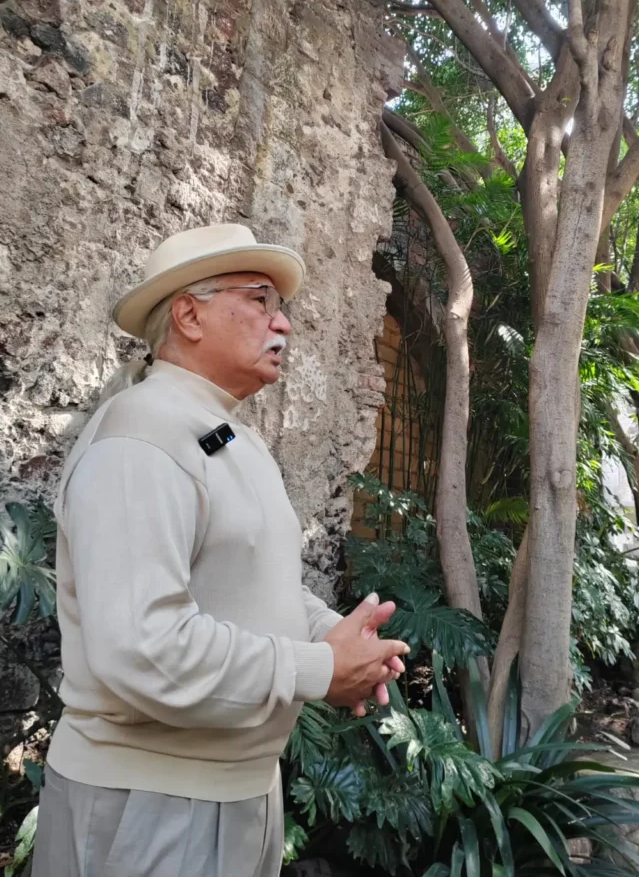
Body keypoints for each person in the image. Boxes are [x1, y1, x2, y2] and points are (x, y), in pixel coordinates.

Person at [31, 223, 409, 877]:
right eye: (260, 301)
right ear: (189, 314)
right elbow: (143, 647)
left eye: (279, 306)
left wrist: (333, 636)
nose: (282, 324)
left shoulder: (227, 434)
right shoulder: (140, 438)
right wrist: (316, 668)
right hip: (150, 807)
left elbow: (251, 573)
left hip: (237, 796)